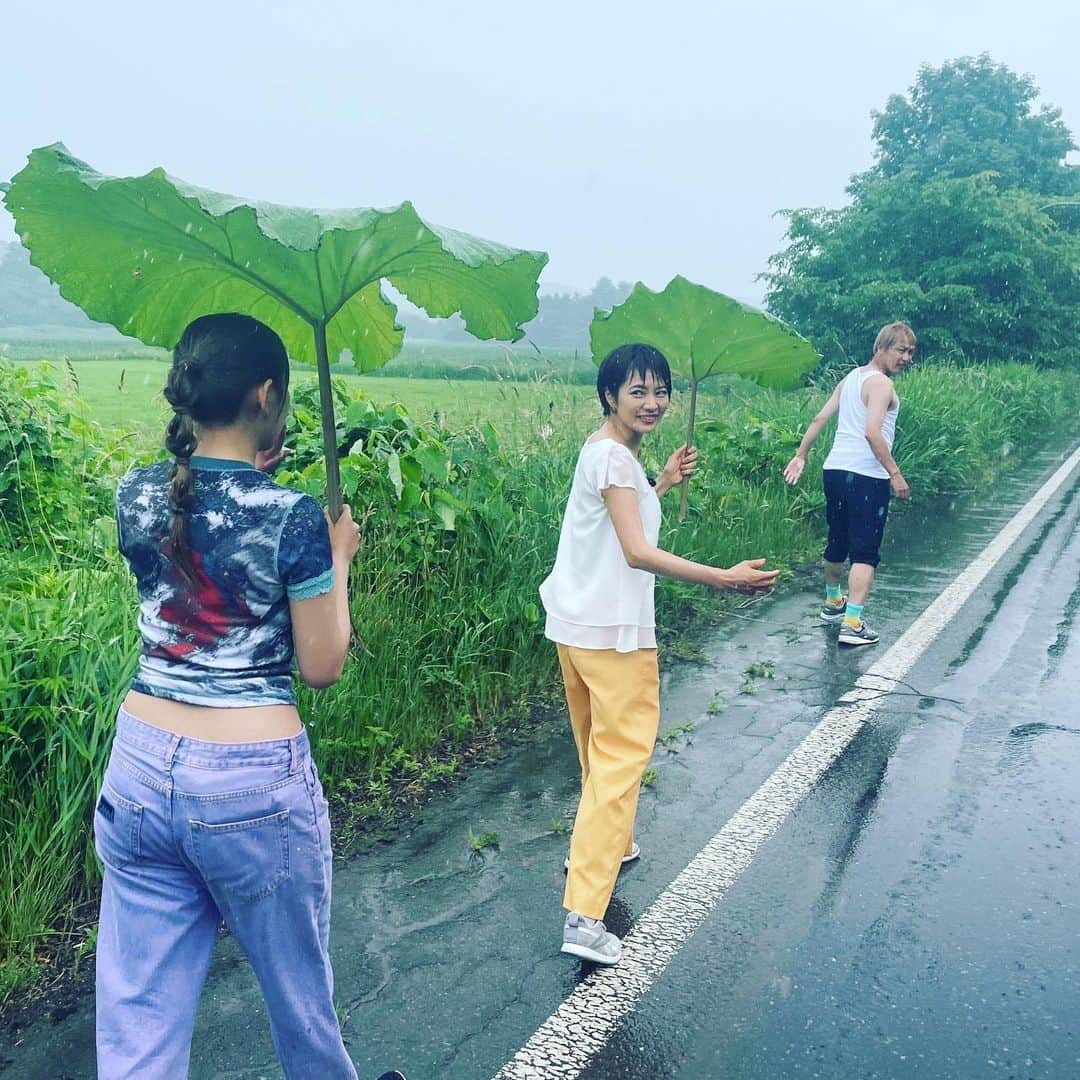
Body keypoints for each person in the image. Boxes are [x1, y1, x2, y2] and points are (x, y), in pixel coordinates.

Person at [97, 313, 403, 1079]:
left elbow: (197, 538)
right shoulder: (292, 517)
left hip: (136, 767)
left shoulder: (135, 494)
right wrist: (337, 557)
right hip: (246, 778)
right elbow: (324, 663)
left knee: (137, 1019)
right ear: (266, 393)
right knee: (300, 1002)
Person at [539, 343, 779, 966]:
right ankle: (585, 913)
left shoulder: (605, 454)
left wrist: (663, 482)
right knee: (620, 764)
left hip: (575, 627)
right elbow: (637, 552)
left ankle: (604, 847)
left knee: (598, 752)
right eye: (637, 390)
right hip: (614, 636)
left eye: (660, 390)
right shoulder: (616, 461)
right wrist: (723, 578)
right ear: (610, 395)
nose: (652, 402)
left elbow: (622, 517)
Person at [782, 321, 916, 647]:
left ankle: (832, 602)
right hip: (867, 475)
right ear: (880, 348)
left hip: (835, 471)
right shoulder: (881, 384)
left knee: (838, 539)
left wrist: (802, 454)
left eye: (911, 351)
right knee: (865, 551)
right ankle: (853, 622)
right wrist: (895, 473)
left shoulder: (851, 378)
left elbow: (819, 418)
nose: (907, 357)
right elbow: (873, 432)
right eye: (901, 350)